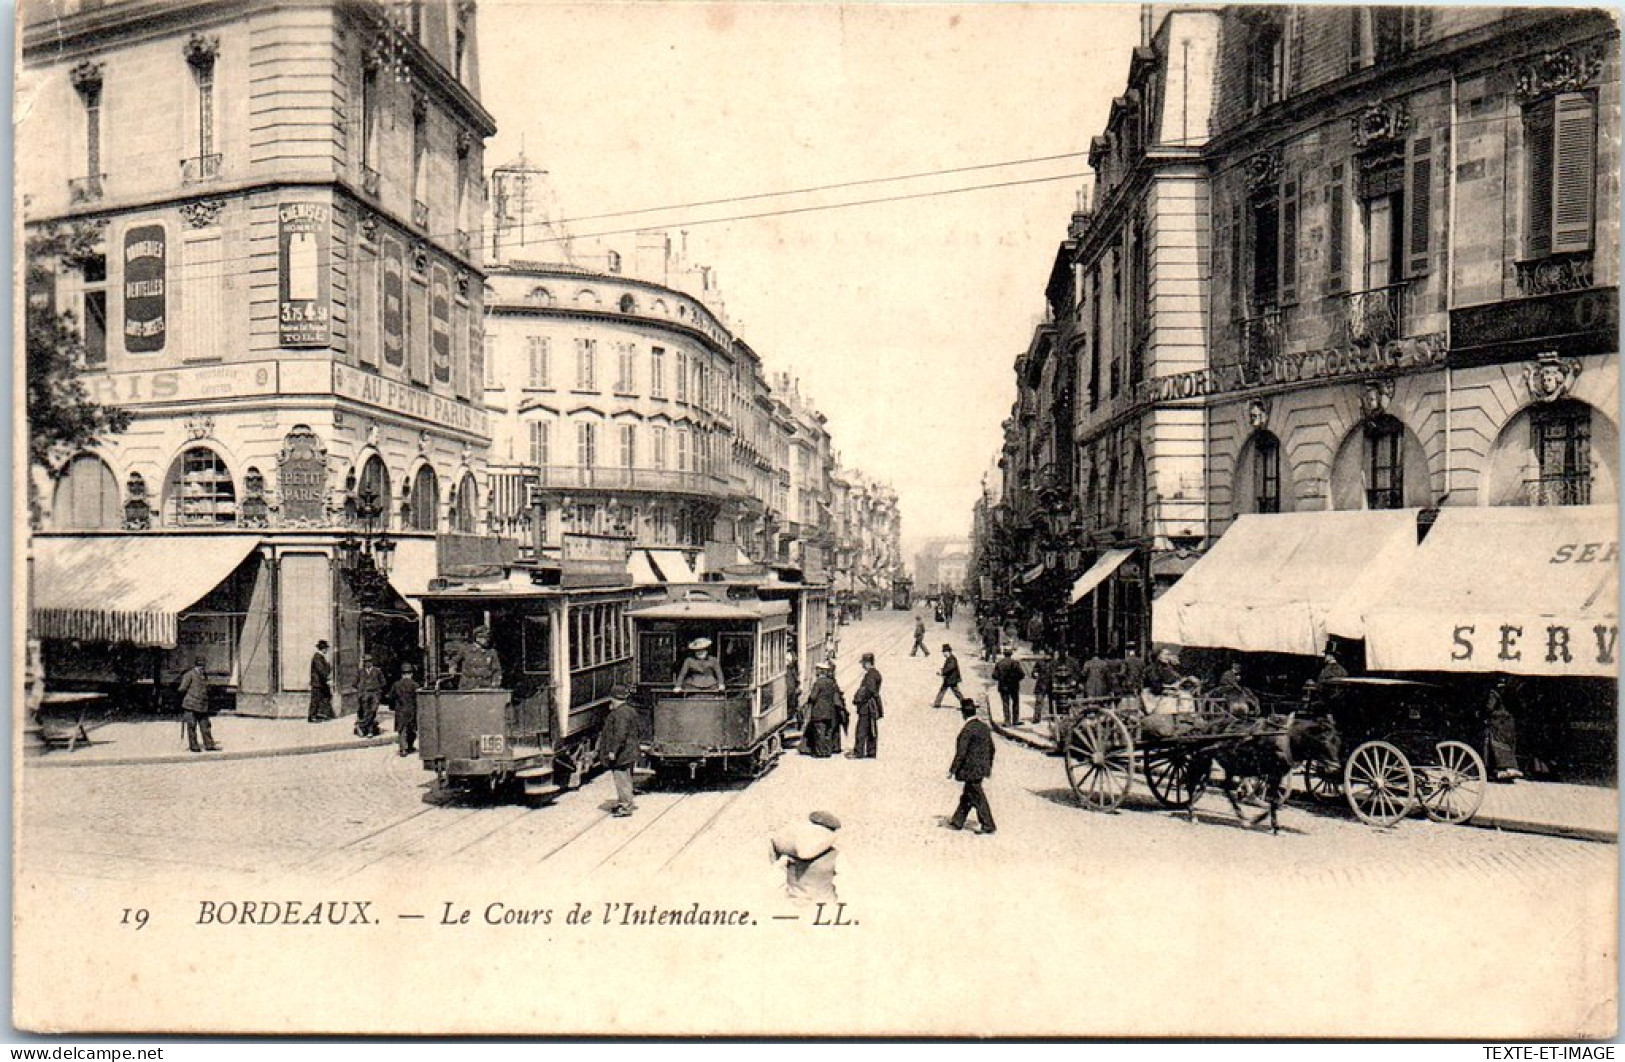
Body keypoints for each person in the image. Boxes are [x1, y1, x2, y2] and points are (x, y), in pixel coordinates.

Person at [947, 696, 996, 834]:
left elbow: (961, 753)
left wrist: (952, 770)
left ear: (963, 713)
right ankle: (958, 820)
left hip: (970, 769)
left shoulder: (967, 730)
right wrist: (988, 766)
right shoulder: (984, 727)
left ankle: (988, 824)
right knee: (968, 795)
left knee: (977, 796)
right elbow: (992, 749)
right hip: (981, 768)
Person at [770, 810, 841, 903]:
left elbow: (774, 878)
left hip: (793, 904)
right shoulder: (836, 855)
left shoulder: (789, 852)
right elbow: (847, 884)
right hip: (824, 906)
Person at [600, 683, 641, 817]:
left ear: (613, 698)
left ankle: (625, 807)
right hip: (630, 751)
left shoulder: (619, 713)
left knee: (622, 779)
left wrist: (613, 751)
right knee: (627, 779)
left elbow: (620, 734)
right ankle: (625, 802)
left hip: (622, 754)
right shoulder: (630, 710)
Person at [802, 660, 846, 758]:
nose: (816, 672)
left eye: (817, 670)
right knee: (828, 732)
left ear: (820, 671)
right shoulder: (831, 682)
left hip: (819, 712)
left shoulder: (818, 683)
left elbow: (813, 697)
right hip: (829, 711)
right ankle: (828, 751)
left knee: (819, 732)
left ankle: (821, 753)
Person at [176, 657, 218, 753]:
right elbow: (182, 688)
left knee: (205, 726)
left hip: (202, 705)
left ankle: (209, 745)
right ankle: (194, 746)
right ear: (196, 665)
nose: (202, 668)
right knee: (192, 726)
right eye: (200, 666)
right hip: (190, 705)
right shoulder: (189, 674)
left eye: (203, 666)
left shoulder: (204, 675)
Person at [1485, 677, 1523, 783]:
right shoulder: (1510, 693)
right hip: (1509, 723)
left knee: (1496, 745)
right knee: (1507, 745)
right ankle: (1509, 768)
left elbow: (1489, 707)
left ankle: (1501, 769)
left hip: (1498, 723)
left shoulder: (1494, 693)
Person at [849, 652, 883, 759]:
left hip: (867, 706)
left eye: (863, 663)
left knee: (862, 729)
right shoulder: (875, 673)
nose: (862, 665)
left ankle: (858, 752)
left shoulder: (870, 675)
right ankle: (871, 752)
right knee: (871, 728)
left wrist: (859, 699)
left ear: (867, 663)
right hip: (872, 705)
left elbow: (869, 690)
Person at [389, 663, 420, 757]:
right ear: (411, 674)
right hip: (411, 710)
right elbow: (418, 699)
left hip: (400, 710)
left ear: (402, 674)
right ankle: (409, 746)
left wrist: (392, 707)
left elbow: (391, 697)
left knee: (402, 730)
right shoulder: (415, 685)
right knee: (411, 729)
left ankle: (403, 749)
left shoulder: (396, 685)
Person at [992, 647, 1026, 727]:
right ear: (1011, 654)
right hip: (1014, 686)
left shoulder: (999, 663)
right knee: (1015, 703)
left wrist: (1001, 679)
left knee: (1005, 703)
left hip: (1003, 686)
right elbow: (1022, 674)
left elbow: (994, 675)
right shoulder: (1015, 663)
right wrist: (1016, 680)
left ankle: (1007, 721)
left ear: (1004, 654)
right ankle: (1015, 720)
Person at [355, 654, 385, 738]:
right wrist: (361, 690)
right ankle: (369, 731)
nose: (367, 664)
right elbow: (354, 683)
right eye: (365, 662)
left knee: (373, 711)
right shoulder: (360, 672)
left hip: (375, 694)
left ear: (372, 662)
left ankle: (361, 725)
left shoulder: (377, 671)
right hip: (365, 694)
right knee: (366, 712)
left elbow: (383, 682)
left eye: (369, 661)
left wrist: (378, 690)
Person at [308, 640, 334, 722]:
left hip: (321, 683)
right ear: (323, 649)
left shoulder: (321, 657)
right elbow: (321, 670)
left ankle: (320, 714)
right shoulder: (317, 657)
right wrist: (328, 678)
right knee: (315, 699)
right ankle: (312, 716)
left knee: (324, 697)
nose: (327, 650)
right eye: (326, 649)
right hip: (317, 683)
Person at [932, 644, 963, 708]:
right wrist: (942, 670)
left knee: (956, 692)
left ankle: (965, 704)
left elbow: (950, 667)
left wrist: (942, 672)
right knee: (943, 690)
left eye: (944, 652)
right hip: (948, 678)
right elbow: (947, 667)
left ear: (948, 652)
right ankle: (937, 703)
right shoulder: (949, 658)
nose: (943, 654)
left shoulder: (952, 659)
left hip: (952, 679)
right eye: (943, 652)